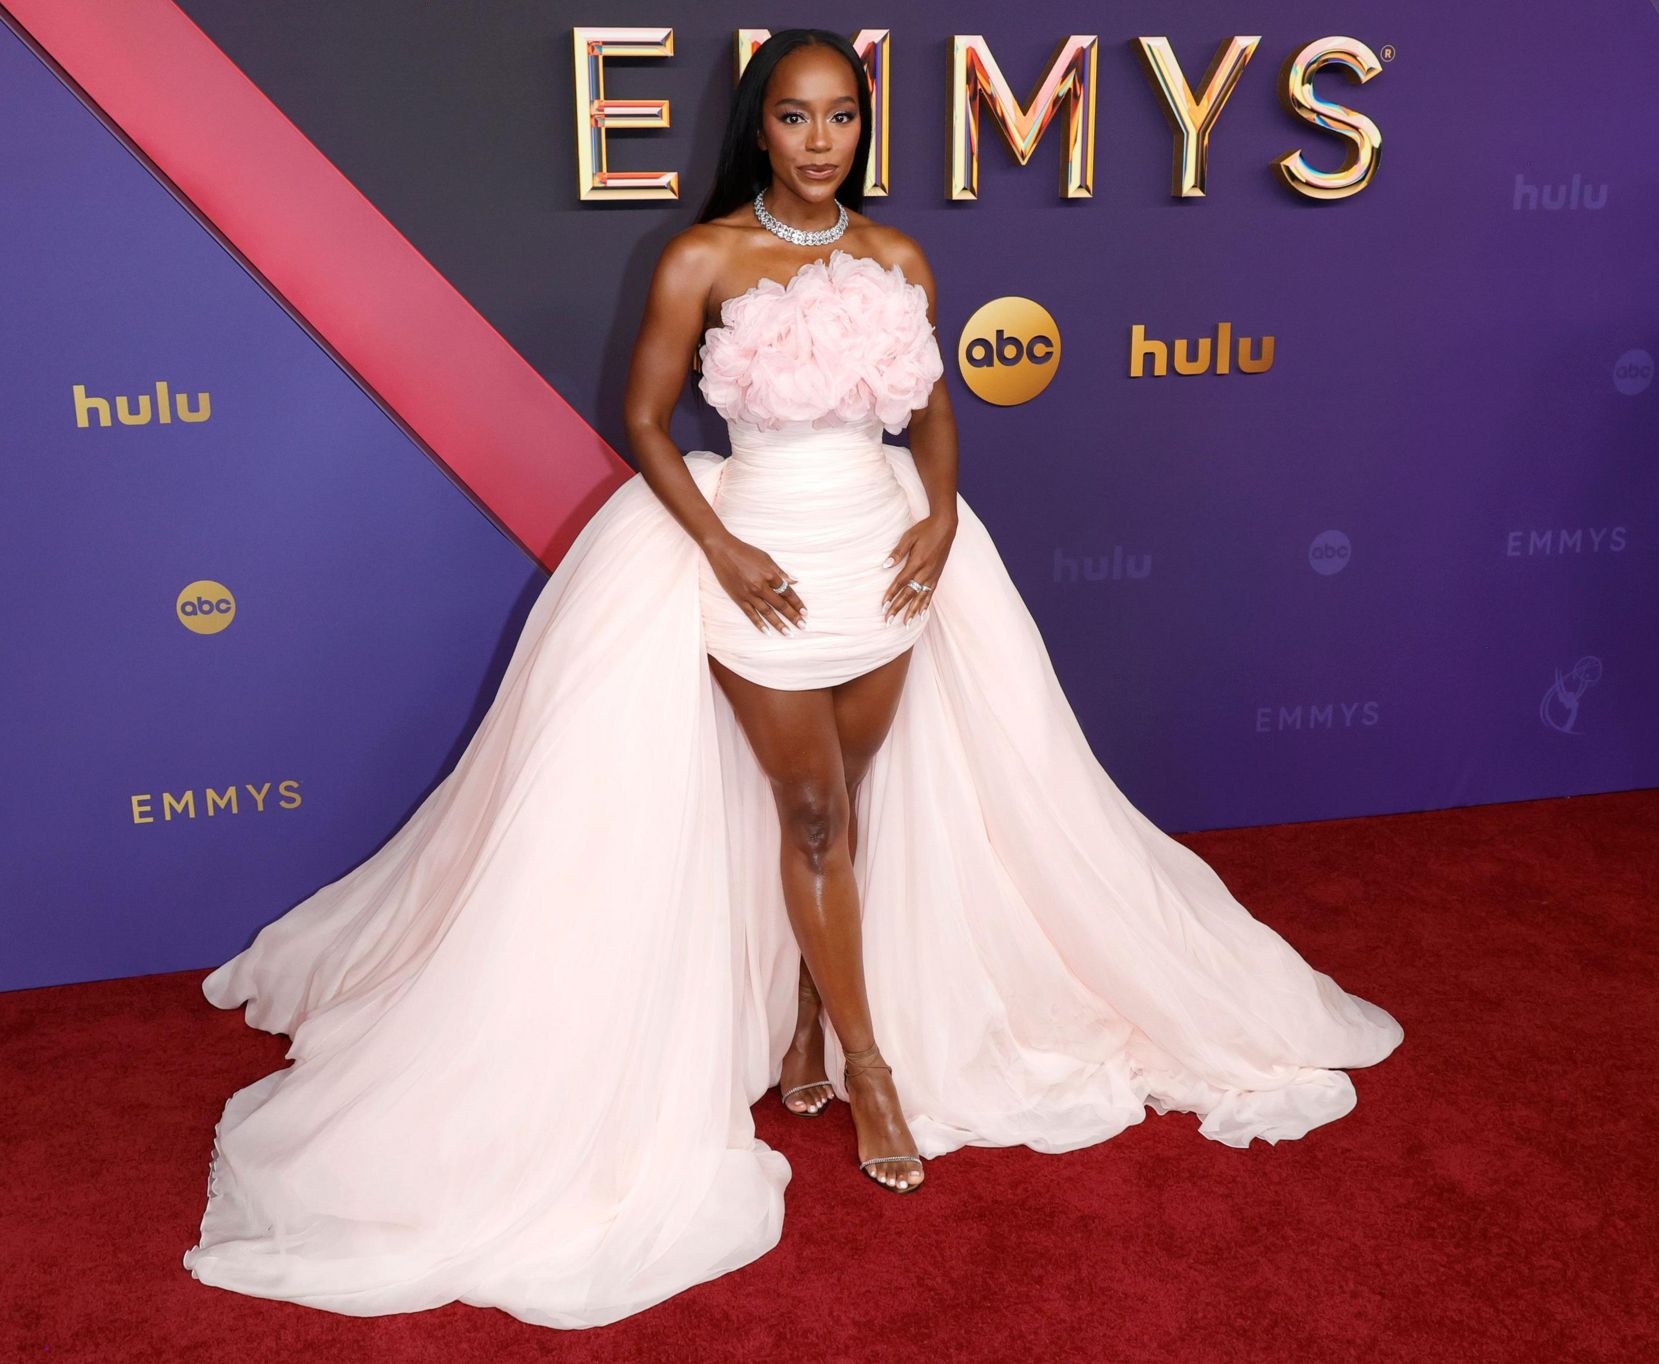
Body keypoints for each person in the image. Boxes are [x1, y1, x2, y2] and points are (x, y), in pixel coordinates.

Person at [181, 28, 1403, 1330]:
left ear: (859, 128)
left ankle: (813, 1021)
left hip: (885, 559)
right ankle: (871, 1069)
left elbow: (931, 405)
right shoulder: (702, 258)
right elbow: (648, 419)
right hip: (761, 563)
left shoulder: (897, 257)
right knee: (812, 814)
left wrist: (939, 513)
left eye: (840, 118)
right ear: (758, 129)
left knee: (849, 799)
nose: (819, 141)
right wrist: (720, 543)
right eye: (795, 118)